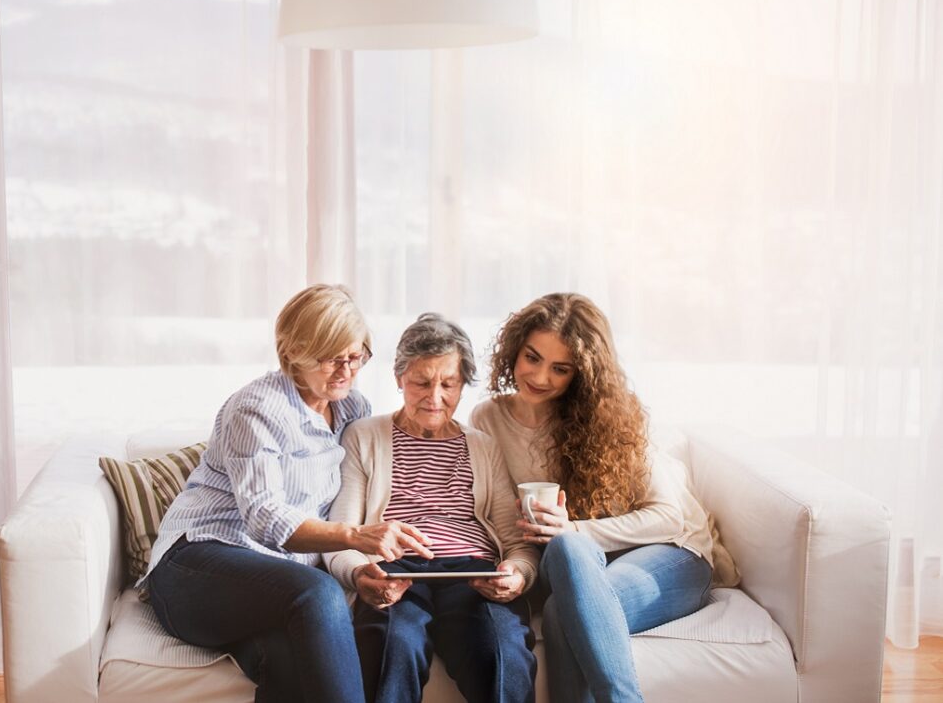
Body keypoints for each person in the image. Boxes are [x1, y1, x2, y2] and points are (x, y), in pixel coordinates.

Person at [142, 284, 434, 703]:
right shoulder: (255, 409)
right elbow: (265, 517)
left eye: (355, 357)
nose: (346, 371)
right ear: (293, 353)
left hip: (270, 584)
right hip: (194, 566)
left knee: (292, 668)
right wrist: (356, 535)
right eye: (331, 359)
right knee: (318, 594)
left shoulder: (353, 409)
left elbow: (329, 514)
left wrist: (355, 571)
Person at [470, 293, 739, 703]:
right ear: (514, 349)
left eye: (560, 369)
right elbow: (500, 516)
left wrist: (573, 528)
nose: (540, 377)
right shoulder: (488, 418)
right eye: (532, 357)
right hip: (575, 570)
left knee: (566, 573)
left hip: (673, 553)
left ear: (582, 374)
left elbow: (668, 518)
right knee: (565, 577)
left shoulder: (613, 417)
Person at [326, 313, 538, 703]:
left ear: (463, 386)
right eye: (422, 382)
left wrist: (518, 574)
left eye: (449, 384)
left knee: (502, 649)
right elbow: (341, 532)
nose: (435, 397)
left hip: (471, 571)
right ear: (399, 378)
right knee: (394, 645)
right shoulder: (364, 436)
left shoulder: (483, 445)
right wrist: (358, 574)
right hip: (396, 568)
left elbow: (515, 541)